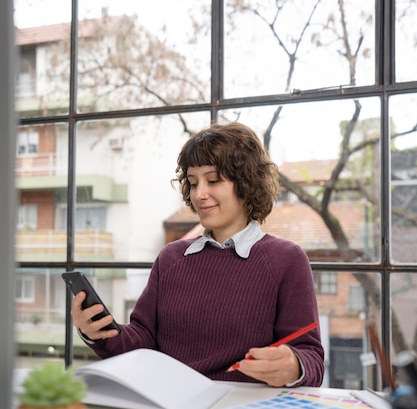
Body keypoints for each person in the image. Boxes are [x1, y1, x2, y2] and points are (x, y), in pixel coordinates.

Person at [72, 123, 324, 387]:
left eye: (213, 180)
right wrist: (99, 332)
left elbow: (312, 359)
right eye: (193, 183)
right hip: (171, 405)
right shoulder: (171, 258)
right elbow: (142, 341)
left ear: (247, 183)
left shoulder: (286, 260)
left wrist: (294, 365)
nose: (199, 194)